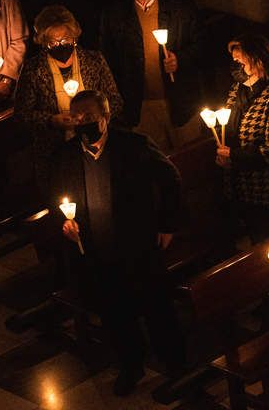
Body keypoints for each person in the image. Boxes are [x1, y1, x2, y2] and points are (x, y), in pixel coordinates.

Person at [50, 90, 185, 397]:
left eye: (90, 117)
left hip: (137, 243)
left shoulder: (133, 146)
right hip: (96, 247)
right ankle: (130, 364)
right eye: (77, 118)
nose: (82, 123)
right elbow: (57, 198)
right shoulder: (67, 156)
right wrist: (65, 223)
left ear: (106, 117)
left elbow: (170, 178)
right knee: (114, 310)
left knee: (156, 306)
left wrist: (167, 224)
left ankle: (176, 364)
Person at [99, 0, 205, 151]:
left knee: (193, 155)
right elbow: (108, 60)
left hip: (180, 99)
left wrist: (180, 59)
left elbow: (203, 45)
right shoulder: (114, 15)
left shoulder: (180, 7)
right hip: (140, 105)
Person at [14, 5, 123, 192]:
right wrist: (51, 120)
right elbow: (22, 114)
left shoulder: (94, 60)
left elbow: (115, 101)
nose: (60, 46)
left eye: (65, 39)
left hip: (98, 149)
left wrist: (95, 116)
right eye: (53, 43)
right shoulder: (33, 70)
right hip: (55, 154)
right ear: (42, 42)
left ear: (75, 36)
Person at [216, 35, 269, 243]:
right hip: (242, 190)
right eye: (234, 60)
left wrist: (234, 156)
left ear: (258, 59)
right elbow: (228, 125)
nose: (236, 64)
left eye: (240, 59)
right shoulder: (239, 89)